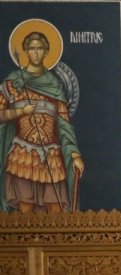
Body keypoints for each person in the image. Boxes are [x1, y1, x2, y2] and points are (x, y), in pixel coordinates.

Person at [0, 30, 85, 212]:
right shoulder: (13, 82)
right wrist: (21, 111)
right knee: (26, 213)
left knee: (55, 210)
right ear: (26, 51)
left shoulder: (54, 84)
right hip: (22, 155)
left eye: (40, 48)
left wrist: (75, 154)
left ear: (46, 52)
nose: (36, 52)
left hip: (51, 156)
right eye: (32, 49)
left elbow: (63, 123)